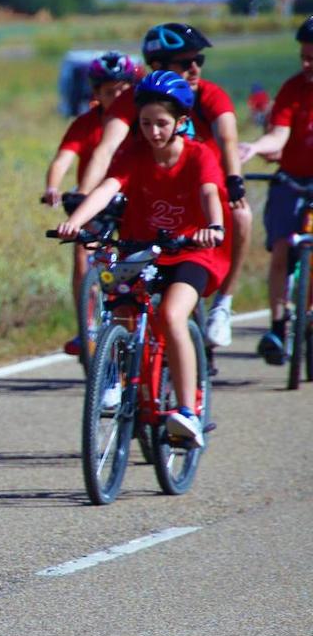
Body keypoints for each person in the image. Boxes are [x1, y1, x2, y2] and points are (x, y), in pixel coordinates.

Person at [58, 71, 229, 446]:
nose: (153, 132)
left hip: (190, 252)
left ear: (181, 123)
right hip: (141, 249)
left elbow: (209, 195)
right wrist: (74, 222)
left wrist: (213, 226)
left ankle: (187, 412)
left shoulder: (199, 155)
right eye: (146, 123)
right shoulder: (134, 154)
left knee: (170, 315)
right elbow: (107, 187)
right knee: (120, 309)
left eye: (162, 124)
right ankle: (120, 381)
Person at [78, 23, 250, 349]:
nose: (195, 68)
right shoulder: (137, 98)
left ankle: (223, 306)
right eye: (185, 62)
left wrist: (234, 179)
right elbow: (106, 149)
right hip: (148, 183)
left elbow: (227, 138)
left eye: (198, 60)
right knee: (115, 255)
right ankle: (121, 354)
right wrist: (83, 196)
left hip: (205, 184)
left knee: (241, 217)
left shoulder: (209, 95)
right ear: (157, 66)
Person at [41, 51, 137, 354]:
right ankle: (87, 326)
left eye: (124, 90)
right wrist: (53, 187)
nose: (119, 97)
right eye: (110, 92)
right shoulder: (85, 124)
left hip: (135, 201)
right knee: (83, 254)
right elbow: (62, 160)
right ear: (95, 94)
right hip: (96, 201)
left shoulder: (144, 122)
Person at [238, 16, 313, 364]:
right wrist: (255, 147)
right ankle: (279, 327)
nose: (306, 64)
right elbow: (280, 134)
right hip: (292, 180)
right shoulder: (292, 89)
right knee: (282, 249)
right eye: (303, 56)